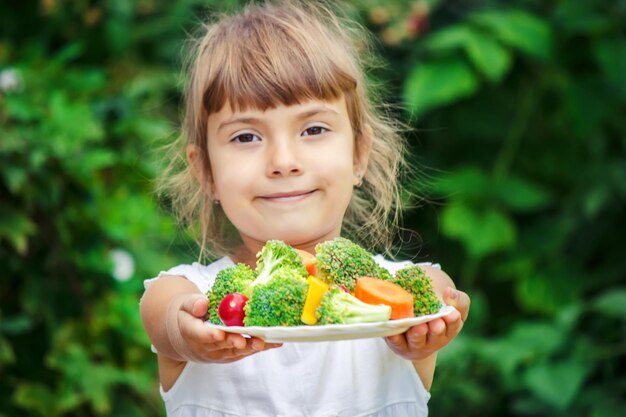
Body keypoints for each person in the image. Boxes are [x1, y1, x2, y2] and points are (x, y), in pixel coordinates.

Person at [140, 1, 470, 416]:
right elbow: (166, 315)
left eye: (313, 129)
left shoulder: (389, 303)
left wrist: (435, 311)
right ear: (205, 171)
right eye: (246, 137)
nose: (283, 161)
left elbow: (433, 284)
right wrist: (186, 333)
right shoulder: (195, 295)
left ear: (358, 154)